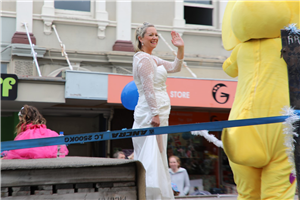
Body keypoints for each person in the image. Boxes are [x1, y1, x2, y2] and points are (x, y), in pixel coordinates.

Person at [132, 22, 184, 200]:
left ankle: (159, 192)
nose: (155, 37)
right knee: (152, 152)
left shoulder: (152, 58)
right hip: (151, 112)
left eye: (156, 34)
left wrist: (181, 48)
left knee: (160, 153)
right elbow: (148, 89)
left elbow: (175, 67)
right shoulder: (144, 59)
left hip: (161, 109)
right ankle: (150, 193)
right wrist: (154, 113)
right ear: (141, 38)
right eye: (150, 35)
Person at [1, 105, 69, 159]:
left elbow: (15, 154)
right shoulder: (52, 133)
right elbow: (61, 152)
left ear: (23, 120)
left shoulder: (26, 135)